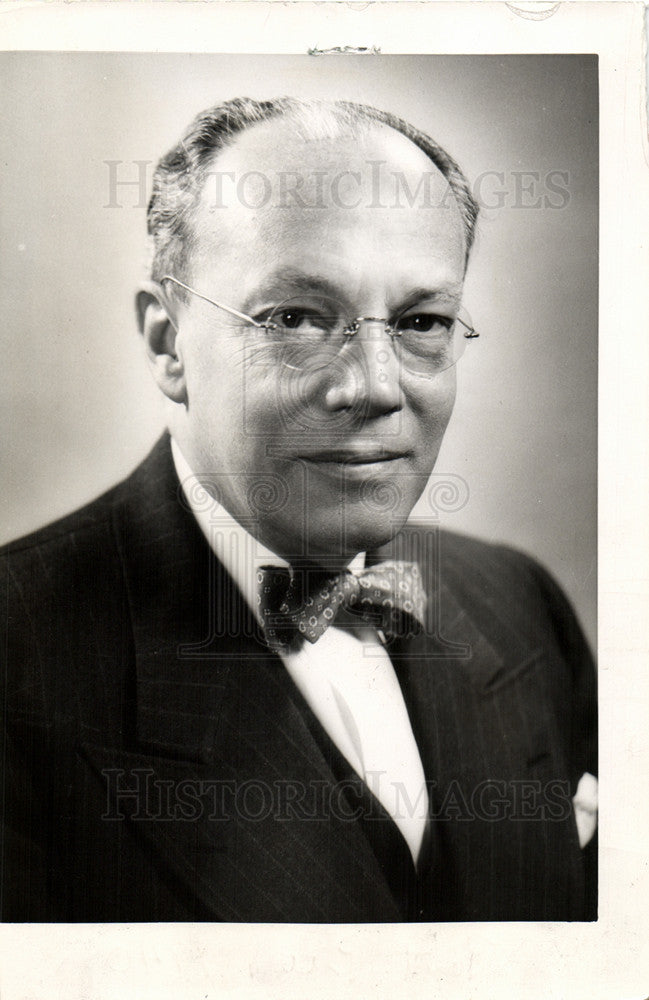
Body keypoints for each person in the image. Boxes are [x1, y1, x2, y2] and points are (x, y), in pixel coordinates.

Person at [0, 96, 597, 922]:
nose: (376, 387)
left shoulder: (519, 604)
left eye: (422, 321)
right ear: (168, 343)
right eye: (296, 320)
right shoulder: (17, 660)